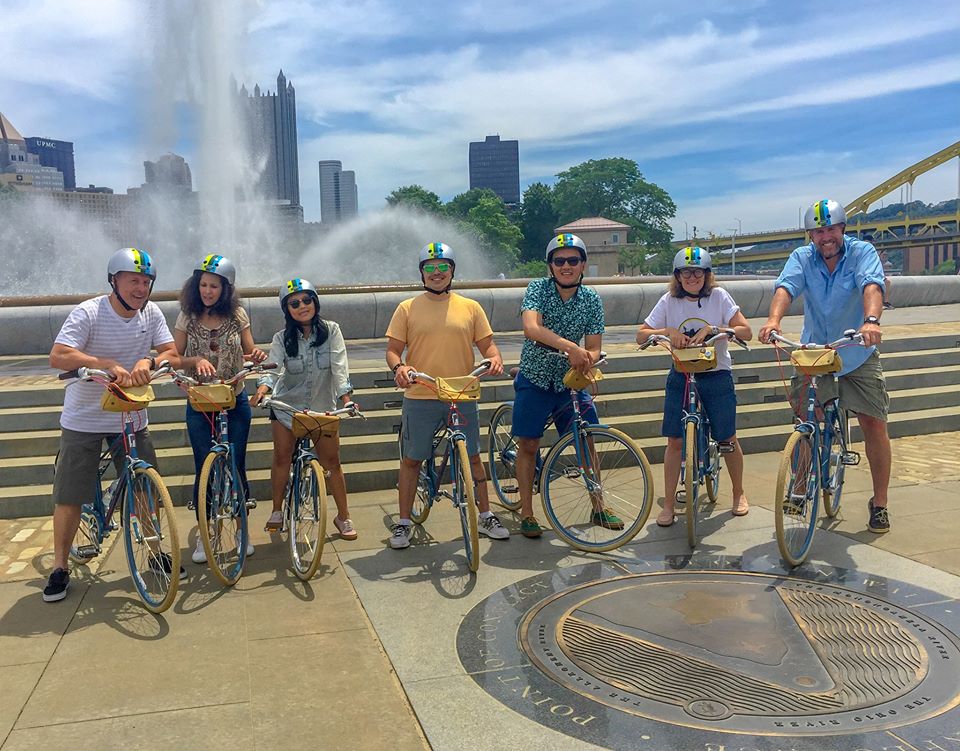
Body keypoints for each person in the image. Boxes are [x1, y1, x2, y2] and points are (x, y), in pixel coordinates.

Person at [44, 248, 182, 602]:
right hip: (85, 419)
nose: (141, 288)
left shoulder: (150, 313)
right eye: (133, 280)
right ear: (114, 280)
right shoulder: (90, 312)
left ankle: (153, 552)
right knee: (71, 495)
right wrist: (102, 362)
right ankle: (60, 566)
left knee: (145, 489)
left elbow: (172, 353)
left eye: (146, 281)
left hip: (131, 415)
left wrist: (148, 360)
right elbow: (58, 355)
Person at [759, 198, 891, 533]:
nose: (825, 236)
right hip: (815, 351)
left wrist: (871, 321)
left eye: (830, 228)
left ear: (843, 229)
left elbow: (872, 286)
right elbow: (786, 288)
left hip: (856, 349)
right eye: (818, 231)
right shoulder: (802, 257)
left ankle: (879, 503)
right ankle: (800, 488)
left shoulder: (861, 253)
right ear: (811, 235)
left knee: (874, 423)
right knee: (805, 423)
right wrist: (773, 321)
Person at [385, 242, 507, 549]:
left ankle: (486, 513)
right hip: (421, 392)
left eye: (443, 268)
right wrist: (399, 367)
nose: (437, 273)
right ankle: (402, 523)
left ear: (452, 271)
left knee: (474, 456)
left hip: (462, 392)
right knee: (413, 459)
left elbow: (488, 345)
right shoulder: (407, 308)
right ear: (422, 274)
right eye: (430, 268)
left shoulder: (470, 307)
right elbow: (392, 350)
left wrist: (494, 358)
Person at [636, 246, 753, 527]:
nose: (692, 277)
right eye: (686, 272)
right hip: (682, 373)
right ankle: (668, 506)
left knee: (728, 437)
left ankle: (738, 492)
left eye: (698, 272)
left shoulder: (720, 297)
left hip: (716, 372)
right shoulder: (669, 301)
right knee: (675, 440)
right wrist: (666, 332)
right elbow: (641, 335)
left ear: (707, 274)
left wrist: (715, 329)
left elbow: (745, 330)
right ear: (677, 276)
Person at [512, 234, 605, 539]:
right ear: (550, 265)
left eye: (573, 260)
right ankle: (527, 512)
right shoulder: (538, 288)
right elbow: (531, 328)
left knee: (587, 439)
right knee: (528, 444)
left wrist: (587, 359)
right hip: (536, 377)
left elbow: (593, 347)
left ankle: (599, 505)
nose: (566, 266)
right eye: (559, 261)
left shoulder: (592, 299)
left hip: (570, 381)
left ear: (583, 265)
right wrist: (570, 348)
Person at [175, 255, 266, 564]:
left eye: (214, 285)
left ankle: (242, 531)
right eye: (203, 284)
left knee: (236, 464)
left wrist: (256, 354)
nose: (208, 291)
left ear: (226, 288)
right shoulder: (187, 316)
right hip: (200, 402)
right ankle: (207, 532)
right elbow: (173, 356)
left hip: (234, 398)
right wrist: (186, 372)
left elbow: (249, 349)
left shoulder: (238, 314)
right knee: (205, 466)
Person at [252, 279, 359, 540]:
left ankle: (343, 516)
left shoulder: (332, 331)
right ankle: (277, 510)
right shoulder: (281, 338)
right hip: (288, 407)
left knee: (332, 462)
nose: (302, 306)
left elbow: (339, 367)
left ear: (315, 302)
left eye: (307, 300)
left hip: (322, 409)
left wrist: (346, 400)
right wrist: (262, 390)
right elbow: (273, 367)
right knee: (281, 457)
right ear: (287, 309)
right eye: (294, 303)